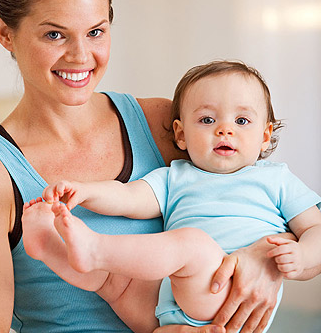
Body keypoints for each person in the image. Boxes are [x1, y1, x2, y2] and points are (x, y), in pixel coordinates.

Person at [0, 0, 304, 331]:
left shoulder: (161, 123)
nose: (80, 56)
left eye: (96, 31)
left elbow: (254, 201)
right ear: (6, 34)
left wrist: (265, 262)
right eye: (54, 34)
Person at [23, 61, 321, 330]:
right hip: (166, 308)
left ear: (265, 135)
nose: (224, 130)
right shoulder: (176, 176)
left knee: (191, 244)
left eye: (242, 121)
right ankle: (49, 247)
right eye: (207, 120)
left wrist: (305, 254)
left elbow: (315, 228)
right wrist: (86, 191)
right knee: (114, 281)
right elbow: (127, 197)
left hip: (227, 296)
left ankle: (95, 250)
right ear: (180, 134)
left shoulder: (275, 178)